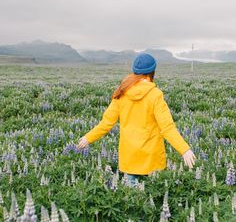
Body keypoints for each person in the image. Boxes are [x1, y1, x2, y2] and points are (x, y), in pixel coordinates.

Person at [76, 53, 196, 187]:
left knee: (132, 202)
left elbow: (106, 123)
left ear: (134, 71)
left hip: (130, 159)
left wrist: (88, 138)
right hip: (152, 159)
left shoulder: (121, 92)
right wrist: (184, 149)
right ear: (152, 72)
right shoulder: (155, 95)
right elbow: (167, 128)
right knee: (153, 201)